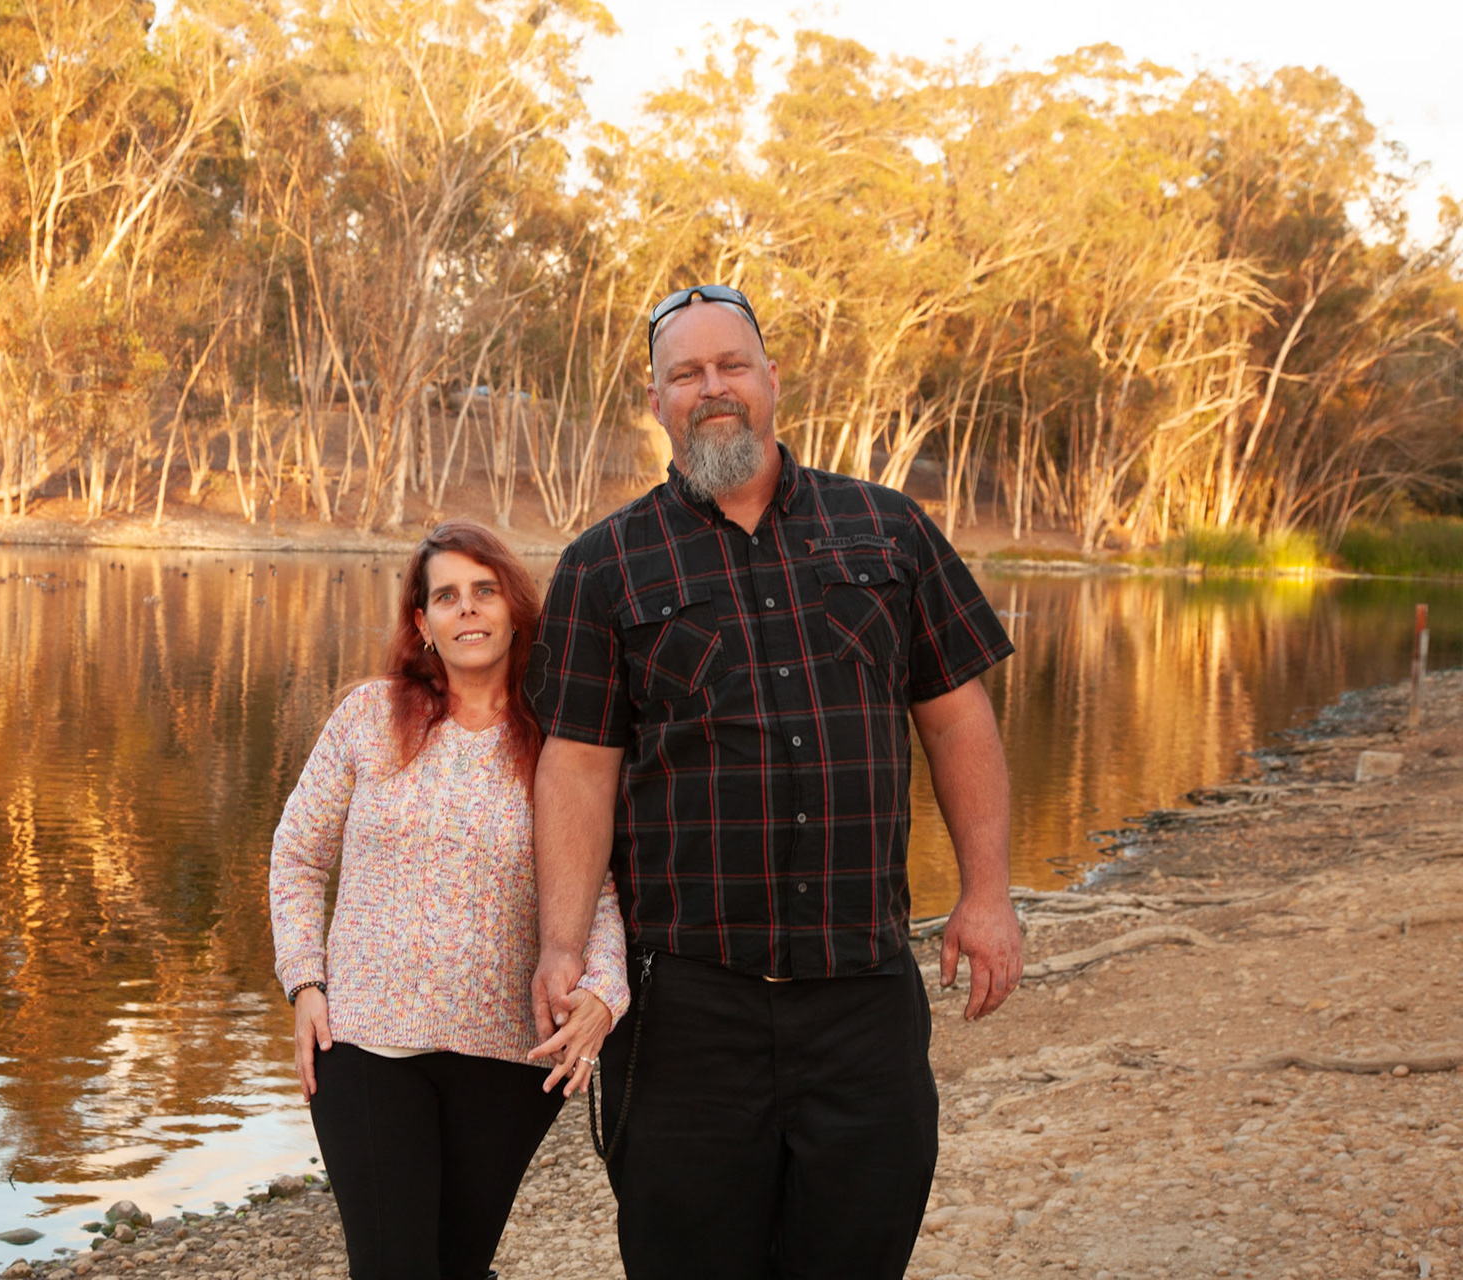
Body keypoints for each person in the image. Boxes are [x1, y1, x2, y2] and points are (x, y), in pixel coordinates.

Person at [527, 285, 1023, 1280]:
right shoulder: (603, 566)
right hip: (684, 1010)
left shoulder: (888, 529)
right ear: (657, 402)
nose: (712, 387)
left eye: (732, 365)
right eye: (686, 373)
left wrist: (988, 893)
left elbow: (957, 716)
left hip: (862, 994)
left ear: (772, 380)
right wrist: (563, 944)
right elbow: (577, 766)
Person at [271, 518, 629, 1280]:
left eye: (484, 591)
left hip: (508, 1054)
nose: (467, 608)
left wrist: (604, 990)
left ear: (515, 610)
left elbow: (597, 886)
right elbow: (297, 855)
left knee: (457, 1267)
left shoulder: (561, 741)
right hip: (365, 1044)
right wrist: (305, 982)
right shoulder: (368, 718)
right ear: (422, 623)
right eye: (446, 596)